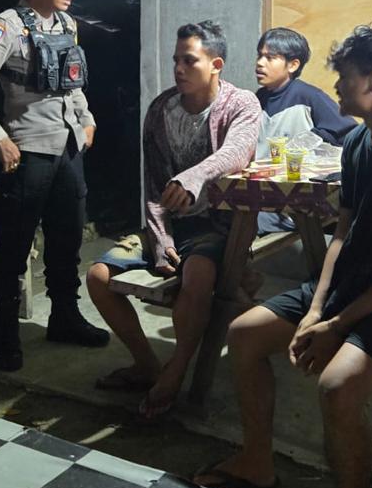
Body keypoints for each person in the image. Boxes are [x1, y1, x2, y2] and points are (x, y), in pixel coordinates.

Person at [194, 25, 372, 488]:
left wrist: (338, 324)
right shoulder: (358, 143)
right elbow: (342, 233)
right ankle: (257, 461)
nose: (337, 86)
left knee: (336, 386)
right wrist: (317, 308)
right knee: (244, 333)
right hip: (348, 287)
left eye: (344, 76)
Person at [86, 21, 261, 418]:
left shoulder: (241, 104)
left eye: (189, 61)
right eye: (175, 60)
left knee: (198, 276)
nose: (179, 69)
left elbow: (237, 151)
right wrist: (161, 238)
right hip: (169, 225)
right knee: (98, 277)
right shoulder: (162, 108)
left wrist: (194, 176)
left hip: (215, 225)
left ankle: (175, 372)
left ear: (215, 64)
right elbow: (153, 184)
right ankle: (147, 364)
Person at [0, 0, 109, 371]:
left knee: (67, 239)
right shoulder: (7, 26)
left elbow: (72, 82)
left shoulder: (66, 24)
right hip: (28, 152)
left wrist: (87, 119)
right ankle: (5, 332)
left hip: (69, 148)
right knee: (14, 244)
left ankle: (64, 317)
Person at [254, 27, 356, 234]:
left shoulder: (309, 96)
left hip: (296, 203)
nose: (260, 63)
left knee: (245, 221)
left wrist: (315, 138)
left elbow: (350, 132)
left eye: (270, 58)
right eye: (259, 56)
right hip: (262, 191)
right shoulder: (258, 98)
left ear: (293, 65)